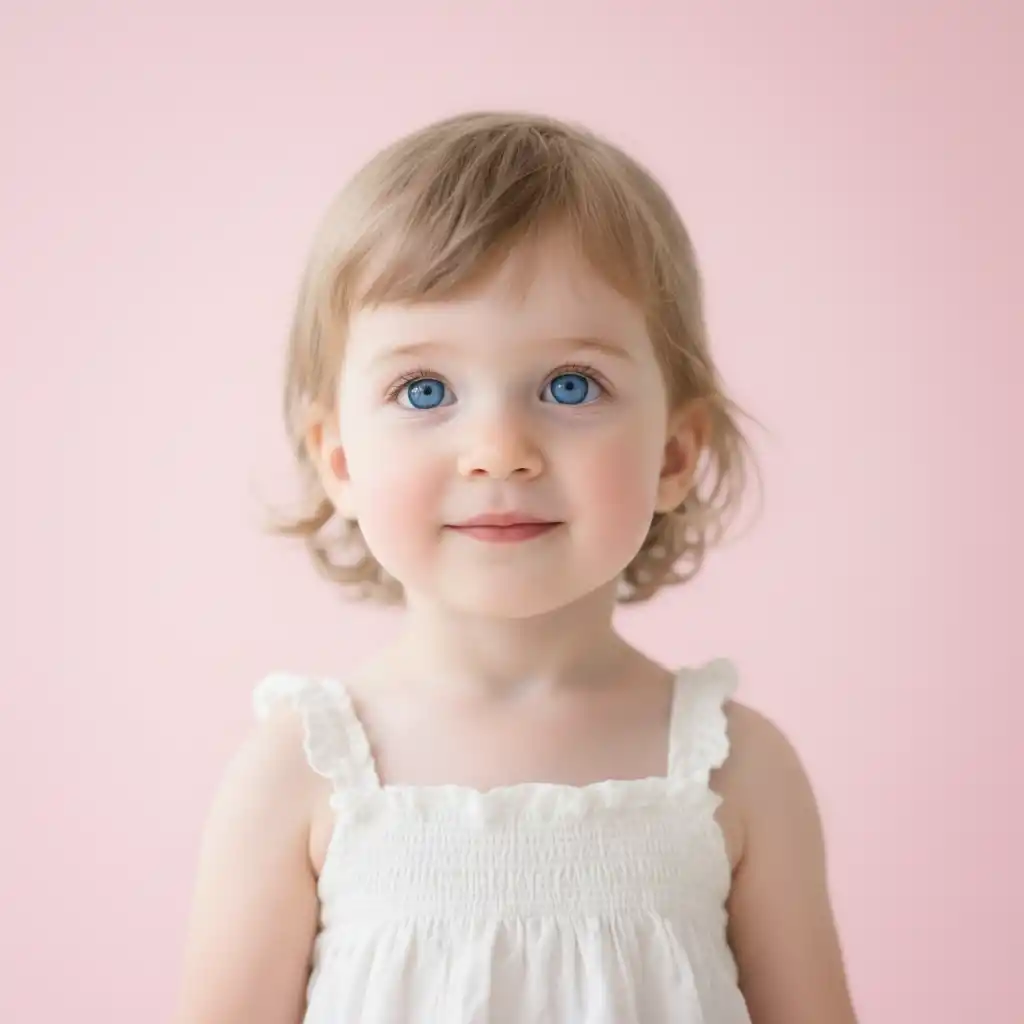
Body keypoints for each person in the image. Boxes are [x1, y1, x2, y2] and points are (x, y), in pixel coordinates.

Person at [174, 111, 857, 1023]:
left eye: (570, 385)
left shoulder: (738, 775)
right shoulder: (300, 776)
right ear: (339, 458)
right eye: (425, 391)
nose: (498, 450)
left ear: (673, 454)